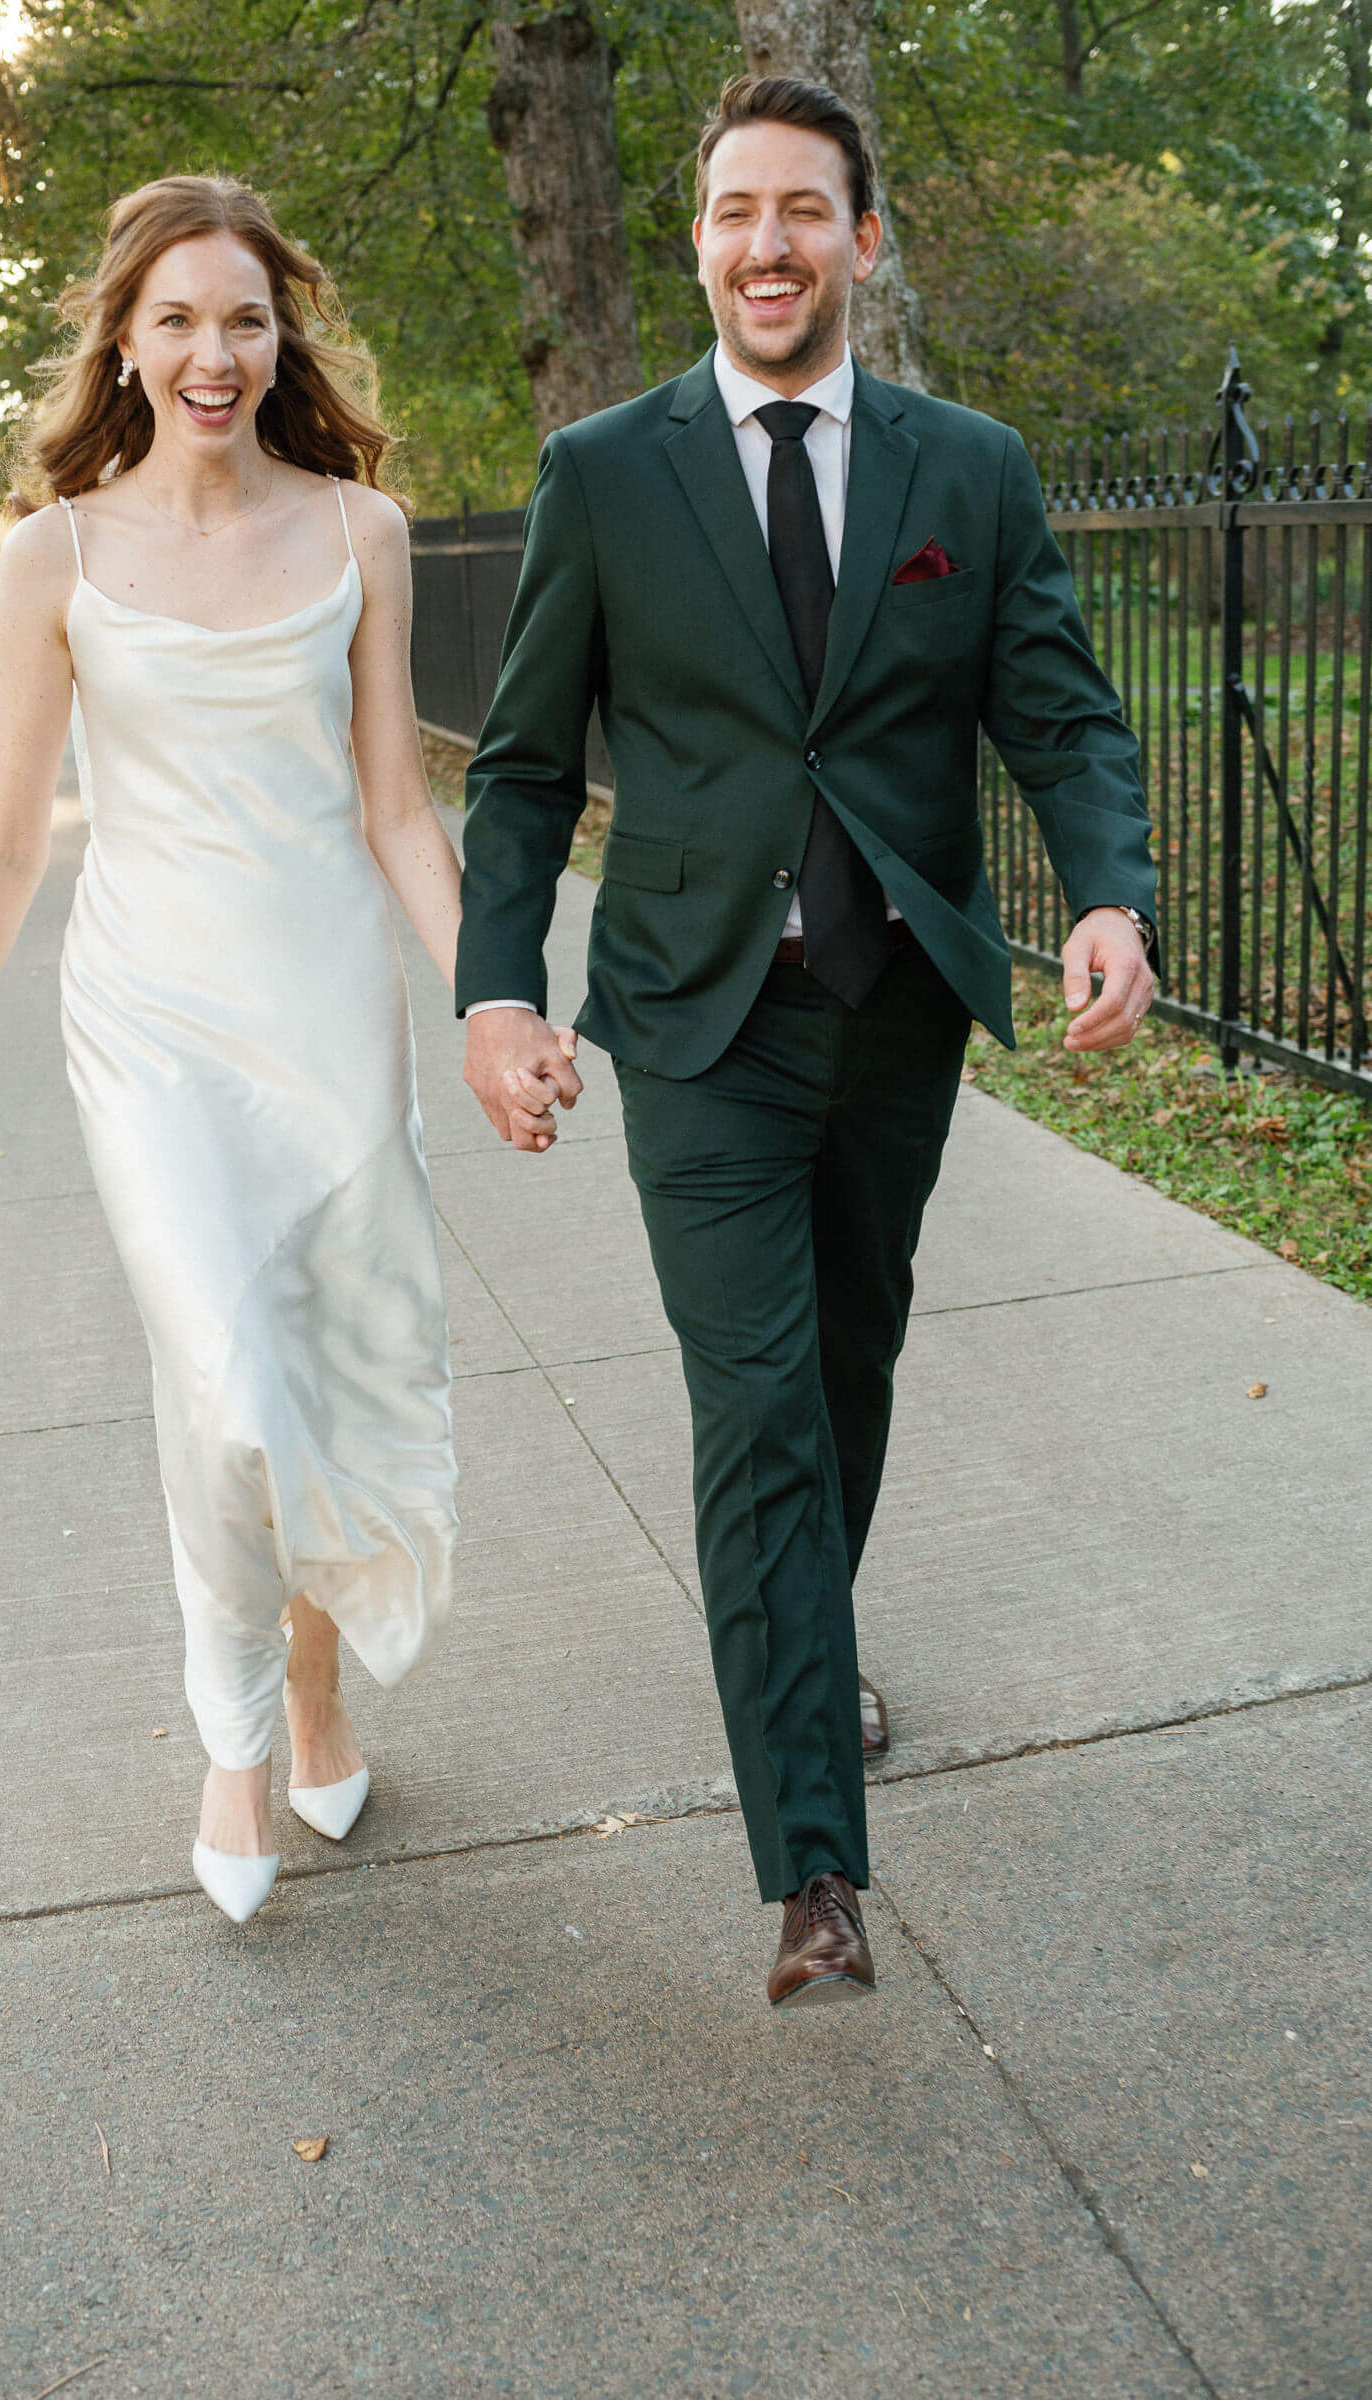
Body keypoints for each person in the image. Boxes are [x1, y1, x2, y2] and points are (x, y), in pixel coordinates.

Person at [456, 77, 1158, 2006]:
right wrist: (498, 991)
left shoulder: (968, 469)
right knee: (753, 1405)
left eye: (802, 211)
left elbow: (1065, 717)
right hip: (691, 1015)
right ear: (696, 240)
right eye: (730, 211)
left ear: (863, 236)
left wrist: (1109, 893)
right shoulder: (605, 470)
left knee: (843, 1367)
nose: (763, 244)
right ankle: (812, 1876)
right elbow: (520, 770)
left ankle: (801, 1632)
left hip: (892, 1009)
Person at [0, 175, 556, 1923]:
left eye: (242, 318)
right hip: (149, 1022)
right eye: (175, 317)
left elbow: (399, 809)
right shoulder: (58, 554)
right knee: (228, 1380)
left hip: (327, 1006)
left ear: (281, 338)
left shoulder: (360, 532)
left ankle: (319, 1683)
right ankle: (237, 1740)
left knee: (325, 1372)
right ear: (124, 335)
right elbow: (17, 837)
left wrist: (496, 1003)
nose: (211, 350)